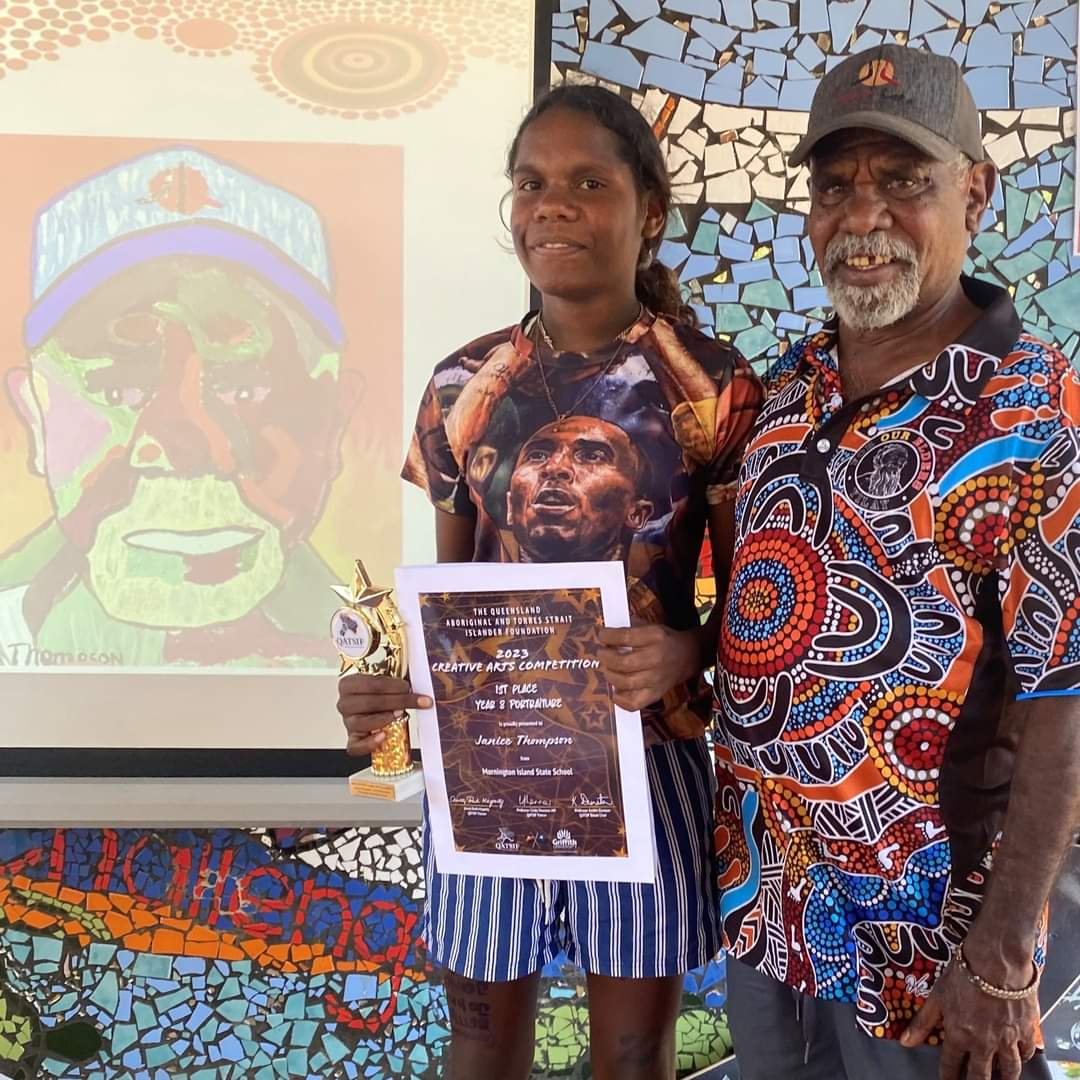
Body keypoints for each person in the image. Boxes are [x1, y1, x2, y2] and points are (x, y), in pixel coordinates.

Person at [339, 84, 762, 1079]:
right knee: (483, 1050)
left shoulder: (714, 387)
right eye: (530, 184)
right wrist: (386, 699)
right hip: (491, 767)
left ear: (649, 212)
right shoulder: (461, 385)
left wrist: (686, 650)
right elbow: (449, 602)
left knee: (633, 1057)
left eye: (588, 183)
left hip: (649, 761)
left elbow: (753, 604)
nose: (552, 206)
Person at [713, 43, 1080, 1080]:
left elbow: (1067, 697)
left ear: (977, 193)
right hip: (772, 908)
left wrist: (1001, 958)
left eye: (904, 181)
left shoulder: (1031, 409)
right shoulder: (792, 386)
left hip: (930, 946)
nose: (861, 216)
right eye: (835, 187)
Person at [0, 147, 355, 668]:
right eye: (120, 392)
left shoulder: (388, 646)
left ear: (334, 422)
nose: (187, 449)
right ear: (36, 417)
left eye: (243, 390)